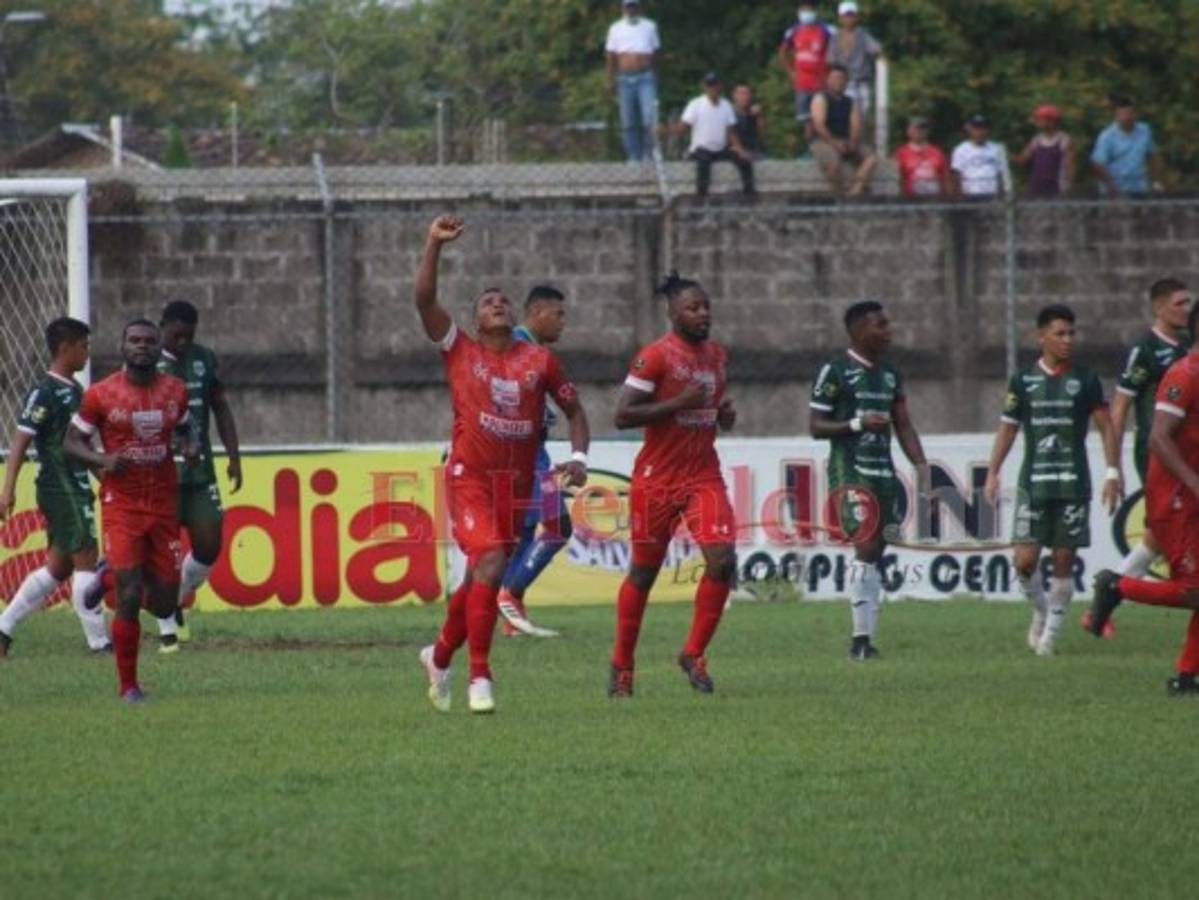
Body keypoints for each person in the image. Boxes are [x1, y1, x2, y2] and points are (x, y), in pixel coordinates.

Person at [413, 216, 589, 715]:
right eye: (487, 302)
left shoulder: (539, 362)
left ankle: (438, 656)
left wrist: (579, 457)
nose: (497, 304)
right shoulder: (460, 350)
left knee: (479, 578)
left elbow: (576, 411)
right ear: (474, 322)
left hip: (516, 487)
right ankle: (480, 676)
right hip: (469, 480)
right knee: (490, 560)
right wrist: (433, 244)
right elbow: (424, 300)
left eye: (503, 301)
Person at [609, 272, 737, 698]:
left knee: (723, 560)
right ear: (673, 313)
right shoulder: (655, 357)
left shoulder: (717, 355)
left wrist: (722, 416)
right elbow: (622, 416)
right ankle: (622, 665)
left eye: (706, 306)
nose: (703, 314)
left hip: (703, 474)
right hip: (657, 479)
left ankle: (693, 653)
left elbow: (710, 409)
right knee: (643, 573)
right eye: (692, 308)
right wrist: (677, 403)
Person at [64, 320, 197, 702]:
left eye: (149, 341)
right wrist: (102, 459)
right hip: (122, 503)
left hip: (164, 504)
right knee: (130, 595)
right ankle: (129, 687)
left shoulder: (175, 390)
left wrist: (189, 446)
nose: (142, 346)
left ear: (158, 347)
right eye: (134, 340)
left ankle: (106, 577)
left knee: (165, 603)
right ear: (123, 346)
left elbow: (187, 429)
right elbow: (70, 442)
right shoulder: (101, 394)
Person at [984, 305, 1121, 656]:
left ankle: (1049, 642)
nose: (1068, 340)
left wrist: (1112, 471)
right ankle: (1041, 611)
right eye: (1060, 333)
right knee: (1024, 561)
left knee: (1063, 561)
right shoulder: (1023, 380)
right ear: (1041, 337)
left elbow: (1106, 426)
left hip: (1073, 484)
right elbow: (1008, 428)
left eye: (1071, 333)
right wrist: (993, 471)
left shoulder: (1086, 379)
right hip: (1034, 485)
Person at [1089, 301, 1199, 695]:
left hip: (1190, 497)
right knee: (1193, 591)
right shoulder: (1185, 373)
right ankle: (1117, 587)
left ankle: (1186, 678)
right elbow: (1158, 437)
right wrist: (1194, 483)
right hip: (1176, 499)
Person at [810, 301, 929, 660]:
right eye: (881, 325)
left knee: (877, 550)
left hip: (883, 470)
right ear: (859, 330)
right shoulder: (836, 371)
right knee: (865, 545)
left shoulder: (891, 374)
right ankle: (859, 642)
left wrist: (922, 466)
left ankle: (868, 639)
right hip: (851, 469)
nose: (888, 331)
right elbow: (815, 426)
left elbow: (903, 424)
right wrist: (857, 424)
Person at [0, 318, 109, 656]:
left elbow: (83, 446)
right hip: (62, 489)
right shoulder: (44, 392)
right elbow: (20, 441)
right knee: (87, 558)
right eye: (83, 346)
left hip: (74, 486)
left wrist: (107, 479)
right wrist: (8, 489)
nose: (87, 353)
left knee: (59, 568)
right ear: (65, 348)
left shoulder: (75, 390)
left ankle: (3, 628)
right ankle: (99, 644)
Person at [495, 286, 575, 638]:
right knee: (559, 527)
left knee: (525, 534)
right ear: (538, 312)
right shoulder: (515, 345)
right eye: (559, 314)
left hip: (532, 451)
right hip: (522, 456)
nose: (563, 322)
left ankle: (511, 622)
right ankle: (509, 594)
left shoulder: (534, 351)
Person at [671, 73, 755, 198]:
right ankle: (701, 198)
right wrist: (666, 131)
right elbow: (683, 127)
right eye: (709, 85)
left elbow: (731, 131)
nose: (712, 88)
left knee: (744, 161)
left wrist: (740, 150)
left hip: (720, 149)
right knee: (703, 164)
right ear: (705, 87)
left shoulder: (726, 105)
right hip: (701, 149)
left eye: (715, 85)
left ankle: (749, 195)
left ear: (720, 86)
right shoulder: (695, 104)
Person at [605, 0, 660, 163]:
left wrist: (655, 74)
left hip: (645, 77)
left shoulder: (650, 26)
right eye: (628, 6)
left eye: (633, 6)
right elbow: (611, 56)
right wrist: (609, 79)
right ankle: (633, 156)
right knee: (628, 121)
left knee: (649, 117)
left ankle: (648, 154)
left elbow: (656, 52)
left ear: (639, 7)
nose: (631, 10)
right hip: (624, 77)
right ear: (623, 8)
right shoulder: (615, 28)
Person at [810, 64, 876, 196]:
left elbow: (856, 125)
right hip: (823, 141)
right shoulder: (820, 98)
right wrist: (835, 143)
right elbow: (819, 125)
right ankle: (838, 195)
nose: (838, 81)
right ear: (828, 80)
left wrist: (852, 142)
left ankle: (855, 191)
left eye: (841, 78)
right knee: (834, 163)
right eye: (834, 78)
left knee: (871, 158)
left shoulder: (850, 102)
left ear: (846, 81)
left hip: (846, 140)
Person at [779, 2, 832, 140]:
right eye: (803, 10)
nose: (806, 13)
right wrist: (790, 72)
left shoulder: (825, 30)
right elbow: (783, 52)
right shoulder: (793, 31)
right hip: (802, 82)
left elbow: (835, 50)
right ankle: (810, 145)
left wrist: (830, 73)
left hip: (820, 81)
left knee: (820, 118)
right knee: (806, 120)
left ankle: (823, 144)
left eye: (809, 9)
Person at [826, 1, 882, 126]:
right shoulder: (835, 37)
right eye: (846, 15)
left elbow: (877, 50)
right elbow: (830, 61)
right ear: (840, 17)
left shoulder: (863, 35)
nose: (849, 19)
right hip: (842, 84)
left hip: (861, 83)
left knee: (862, 117)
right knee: (843, 117)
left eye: (851, 15)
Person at [1091, 96, 1160, 196]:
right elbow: (1097, 163)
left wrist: (1155, 181)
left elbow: (1152, 155)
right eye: (1124, 114)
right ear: (1116, 116)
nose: (1128, 117)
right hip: (1115, 188)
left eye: (1131, 113)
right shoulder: (1107, 136)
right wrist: (1111, 186)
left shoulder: (1145, 131)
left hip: (1139, 186)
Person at [1014, 105, 1075, 197]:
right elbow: (1023, 159)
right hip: (1036, 188)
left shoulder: (1064, 140)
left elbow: (1070, 166)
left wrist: (1068, 186)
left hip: (1057, 188)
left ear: (1052, 121)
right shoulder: (1037, 139)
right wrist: (1007, 156)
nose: (1037, 122)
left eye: (1040, 119)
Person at [951, 114, 1010, 197]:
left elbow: (1001, 174)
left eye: (983, 128)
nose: (980, 132)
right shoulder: (961, 149)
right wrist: (958, 196)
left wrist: (1003, 195)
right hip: (970, 195)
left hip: (992, 195)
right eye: (976, 128)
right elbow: (956, 175)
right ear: (969, 129)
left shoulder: (996, 148)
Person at [893, 117, 951, 197]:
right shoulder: (901, 153)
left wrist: (949, 197)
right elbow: (896, 180)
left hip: (934, 199)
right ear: (908, 131)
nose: (919, 131)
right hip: (910, 199)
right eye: (916, 128)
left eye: (923, 128)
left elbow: (946, 178)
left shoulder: (937, 152)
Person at [732, 84, 766, 159]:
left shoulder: (754, 114)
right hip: (736, 152)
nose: (744, 97)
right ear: (735, 96)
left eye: (747, 94)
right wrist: (740, 151)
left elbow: (762, 136)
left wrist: (760, 116)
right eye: (741, 93)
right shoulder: (730, 114)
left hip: (754, 151)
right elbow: (731, 135)